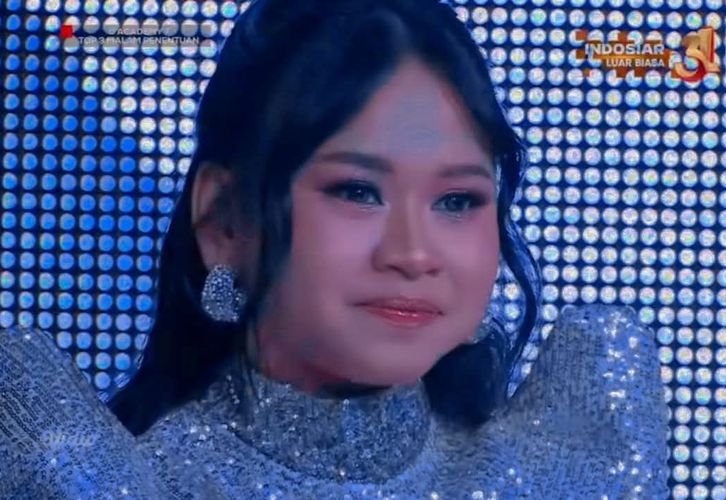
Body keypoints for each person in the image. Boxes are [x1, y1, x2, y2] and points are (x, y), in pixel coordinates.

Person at [0, 0, 670, 497]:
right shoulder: (116, 482)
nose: (414, 254)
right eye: (357, 191)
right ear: (225, 221)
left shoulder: (563, 477)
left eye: (457, 200)